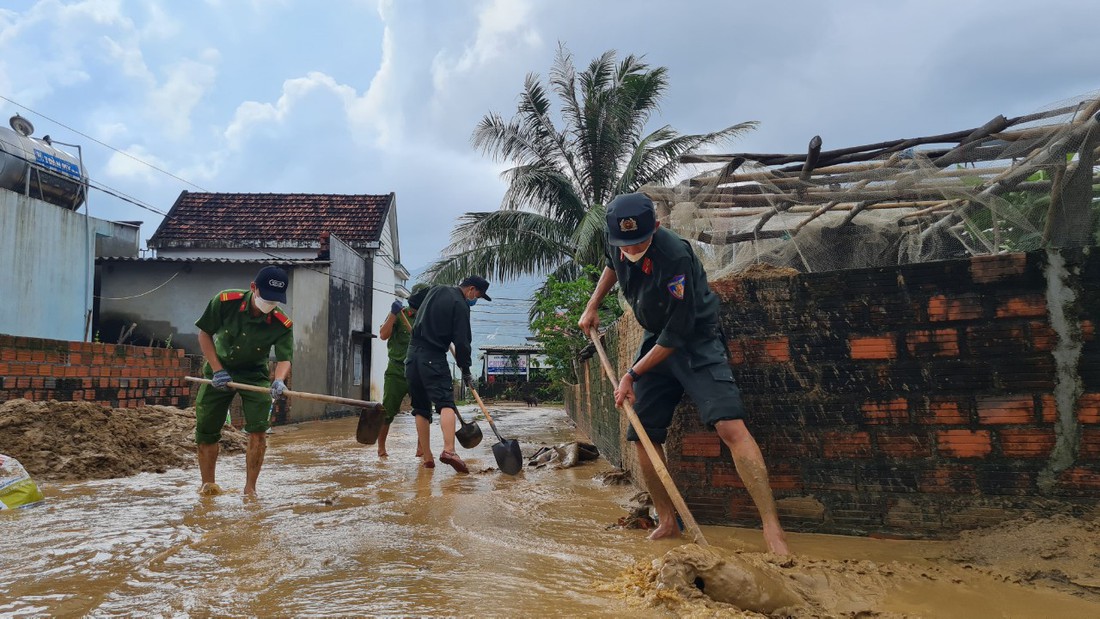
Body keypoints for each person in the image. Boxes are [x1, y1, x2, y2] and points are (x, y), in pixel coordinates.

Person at [578, 193, 790, 555]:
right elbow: (612, 265)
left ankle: (773, 529)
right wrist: (592, 305)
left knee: (729, 426)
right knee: (643, 434)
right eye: (624, 244)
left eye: (640, 242)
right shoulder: (619, 242)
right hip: (654, 338)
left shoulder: (674, 255)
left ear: (656, 228)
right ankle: (667, 520)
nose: (631, 249)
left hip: (693, 340)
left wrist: (631, 374)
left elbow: (676, 335)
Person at [193, 266, 294, 497]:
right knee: (206, 429)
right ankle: (208, 486)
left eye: (275, 301)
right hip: (219, 370)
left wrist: (278, 380)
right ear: (253, 288)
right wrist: (217, 370)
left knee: (258, 431)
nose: (269, 304)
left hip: (254, 375)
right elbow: (204, 334)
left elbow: (284, 358)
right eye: (266, 298)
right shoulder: (225, 301)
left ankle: (250, 490)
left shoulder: (282, 323)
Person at [406, 275, 491, 473]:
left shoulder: (436, 289)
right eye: (478, 295)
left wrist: (430, 317)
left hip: (412, 356)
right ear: (471, 289)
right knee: (446, 403)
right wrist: (466, 370)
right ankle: (449, 450)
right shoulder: (461, 305)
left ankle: (427, 457)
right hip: (433, 356)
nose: (476, 299)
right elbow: (462, 343)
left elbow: (412, 300)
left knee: (420, 407)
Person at [377, 283, 430, 458]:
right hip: (396, 371)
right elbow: (383, 335)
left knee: (422, 411)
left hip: (419, 371)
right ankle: (381, 449)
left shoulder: (427, 318)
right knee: (387, 411)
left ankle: (420, 449)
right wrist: (393, 314)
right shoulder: (400, 315)